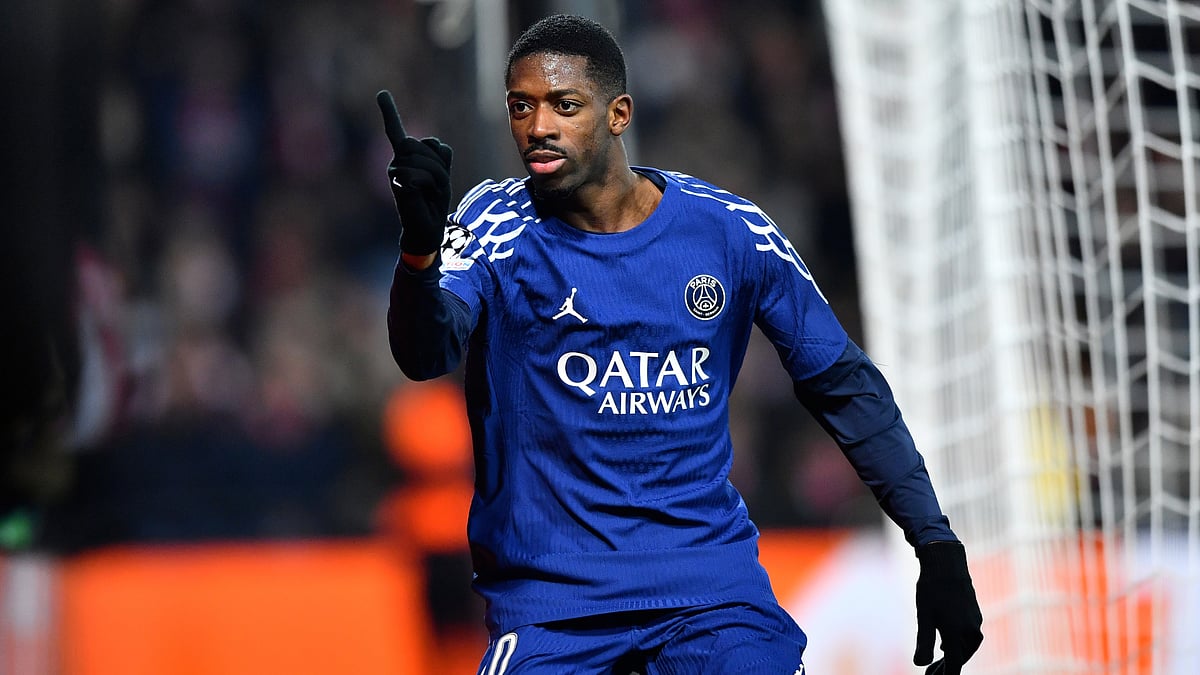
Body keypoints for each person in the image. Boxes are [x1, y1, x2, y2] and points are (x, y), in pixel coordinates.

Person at [379, 13, 983, 675]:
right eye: (522, 107)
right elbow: (425, 350)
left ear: (619, 113)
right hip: (555, 609)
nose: (539, 127)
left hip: (711, 599)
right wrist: (418, 251)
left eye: (565, 105)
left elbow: (843, 384)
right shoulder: (494, 223)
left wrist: (935, 541)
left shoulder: (729, 232)